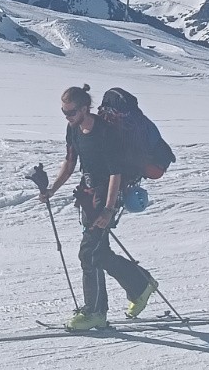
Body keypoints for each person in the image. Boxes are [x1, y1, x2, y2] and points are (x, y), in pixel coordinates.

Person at [40, 84, 158, 330]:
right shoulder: (73, 129)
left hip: (107, 197)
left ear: (85, 108)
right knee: (99, 252)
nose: (67, 117)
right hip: (88, 194)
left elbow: (116, 173)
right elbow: (70, 163)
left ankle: (94, 312)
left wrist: (108, 209)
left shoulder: (105, 133)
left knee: (88, 253)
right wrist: (52, 189)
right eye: (64, 112)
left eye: (71, 112)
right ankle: (140, 284)